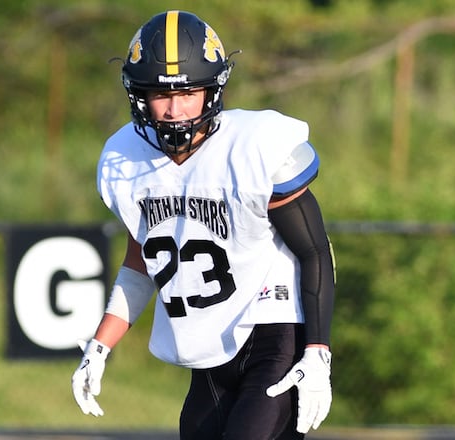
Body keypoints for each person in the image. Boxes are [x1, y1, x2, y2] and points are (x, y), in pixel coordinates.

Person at [72, 10, 336, 440]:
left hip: (275, 336)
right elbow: (142, 263)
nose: (175, 110)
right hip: (208, 350)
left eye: (189, 92)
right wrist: (99, 346)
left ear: (212, 89)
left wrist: (318, 351)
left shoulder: (253, 146)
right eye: (160, 94)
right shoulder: (125, 159)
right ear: (138, 95)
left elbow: (314, 250)